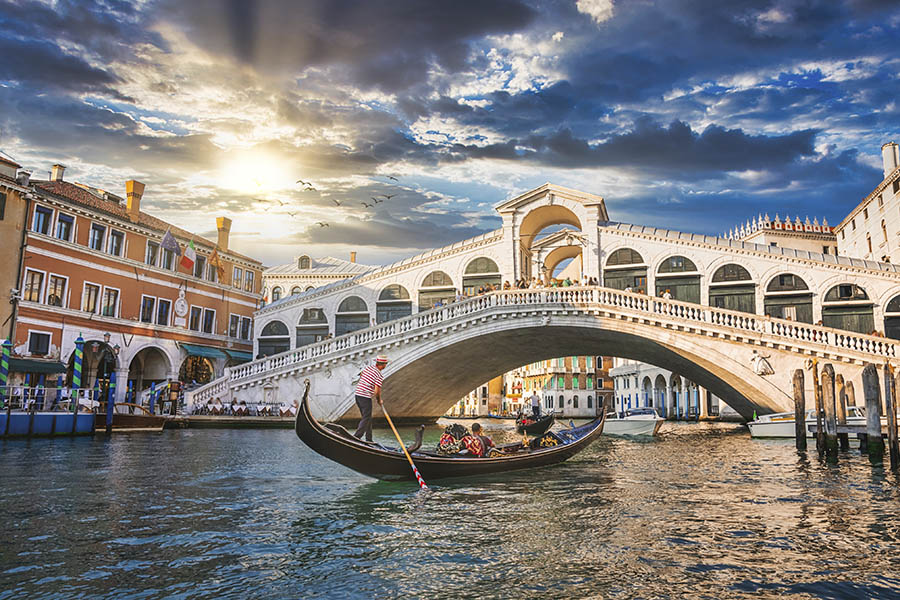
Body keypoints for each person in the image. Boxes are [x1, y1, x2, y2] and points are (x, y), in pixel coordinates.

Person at [354, 355, 388, 442]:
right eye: (386, 363)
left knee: (367, 418)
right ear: (383, 364)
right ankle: (356, 437)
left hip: (357, 395)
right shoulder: (379, 375)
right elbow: (377, 392)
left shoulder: (368, 368)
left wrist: (366, 384)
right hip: (365, 397)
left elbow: (361, 375)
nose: (386, 365)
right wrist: (378, 400)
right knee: (366, 417)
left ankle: (369, 439)